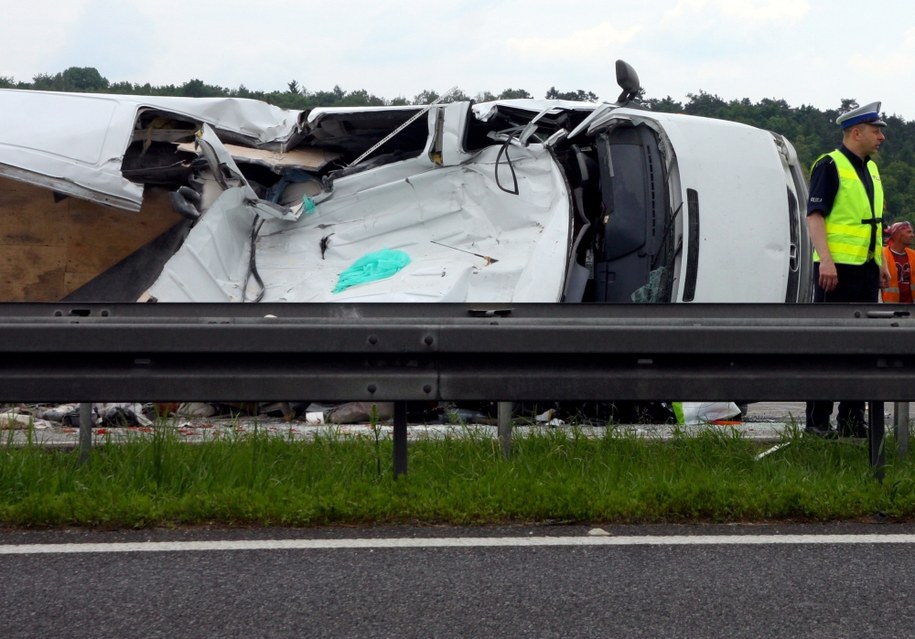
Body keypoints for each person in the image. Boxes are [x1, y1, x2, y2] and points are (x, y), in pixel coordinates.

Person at [805, 101, 890, 438]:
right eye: (876, 130)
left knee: (862, 347)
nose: (881, 136)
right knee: (827, 348)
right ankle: (817, 423)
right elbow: (816, 217)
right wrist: (825, 259)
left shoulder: (870, 169)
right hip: (836, 270)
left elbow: (872, 221)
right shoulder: (830, 165)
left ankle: (852, 420)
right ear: (857, 132)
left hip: (866, 269)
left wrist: (879, 260)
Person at [881, 220, 915, 303]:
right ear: (898, 235)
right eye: (909, 232)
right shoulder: (882, 255)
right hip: (889, 308)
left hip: (911, 308)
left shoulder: (913, 255)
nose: (912, 235)